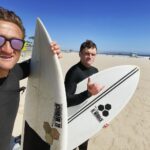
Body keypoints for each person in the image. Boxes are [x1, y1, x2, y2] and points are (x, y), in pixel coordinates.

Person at [0, 7, 61, 150]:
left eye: (15, 42)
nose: (8, 49)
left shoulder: (15, 72)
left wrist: (51, 54)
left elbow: (36, 63)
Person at [65, 40, 104, 150]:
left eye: (93, 54)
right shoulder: (74, 73)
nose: (90, 57)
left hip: (87, 116)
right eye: (87, 53)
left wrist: (103, 117)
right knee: (71, 145)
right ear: (80, 54)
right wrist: (88, 93)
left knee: (83, 146)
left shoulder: (95, 71)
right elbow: (66, 100)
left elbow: (96, 96)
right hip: (73, 118)